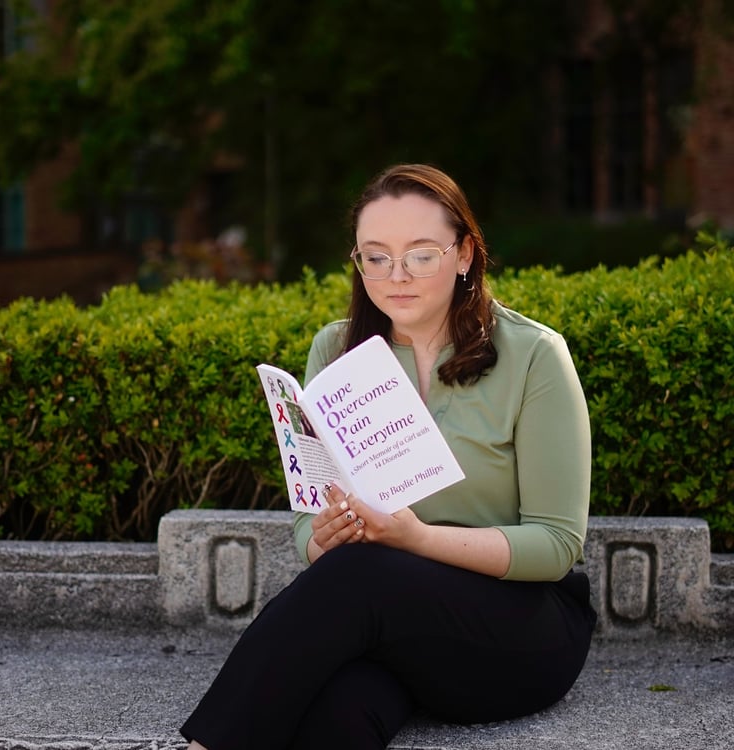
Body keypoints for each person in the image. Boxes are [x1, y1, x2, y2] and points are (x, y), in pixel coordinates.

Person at [180, 163, 597, 749]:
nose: (395, 275)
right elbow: (309, 517)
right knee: (337, 711)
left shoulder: (534, 355)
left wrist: (416, 539)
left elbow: (555, 546)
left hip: (518, 628)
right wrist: (322, 538)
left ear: (465, 254)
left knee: (362, 576)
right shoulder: (336, 348)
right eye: (376, 257)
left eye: (421, 254)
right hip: (392, 628)